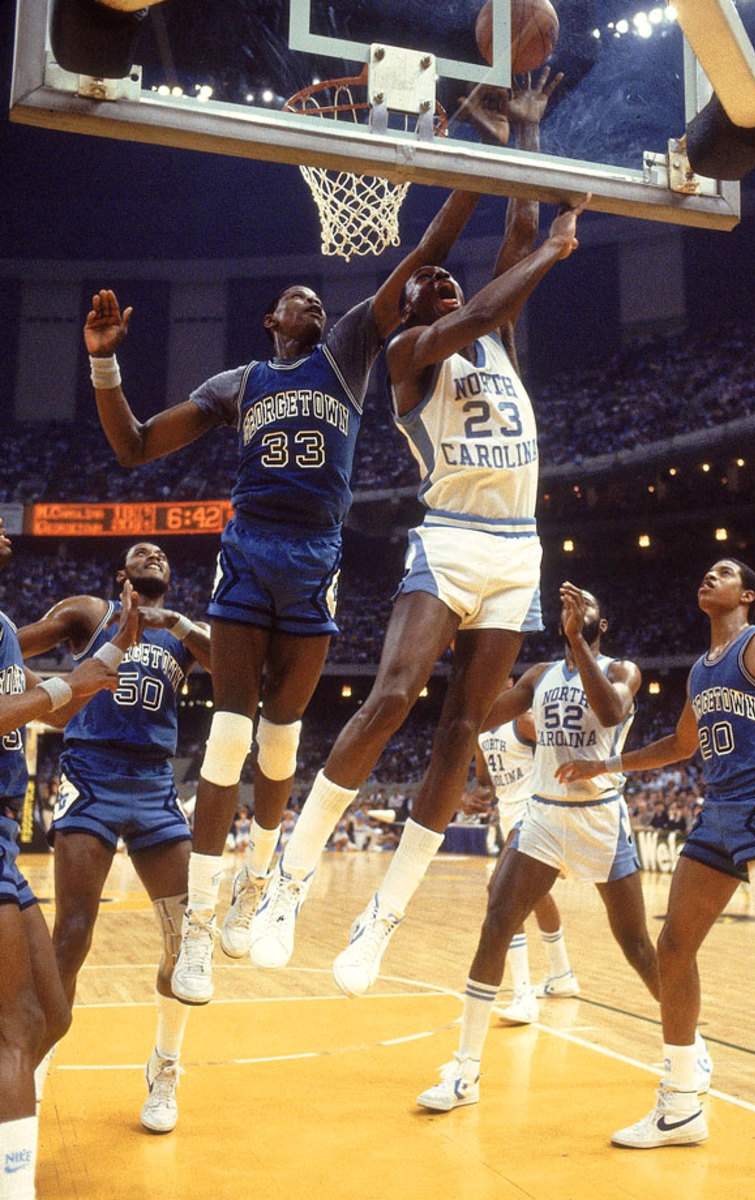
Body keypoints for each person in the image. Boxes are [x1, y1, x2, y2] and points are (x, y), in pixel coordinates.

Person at [85, 82, 562, 1009]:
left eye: (316, 294)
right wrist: (105, 360)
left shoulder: (350, 348)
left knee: (279, 743)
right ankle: (205, 926)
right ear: (274, 321)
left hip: (318, 565)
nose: (313, 296)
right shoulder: (240, 381)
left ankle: (267, 880)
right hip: (250, 551)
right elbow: (136, 446)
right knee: (228, 733)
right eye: (295, 296)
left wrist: (473, 143)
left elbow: (427, 250)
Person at [248, 85, 589, 994]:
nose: (443, 285)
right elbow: (484, 302)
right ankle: (287, 878)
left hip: (519, 550)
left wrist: (525, 124)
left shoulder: (497, 340)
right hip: (452, 538)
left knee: (464, 732)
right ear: (408, 313)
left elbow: (515, 223)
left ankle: (381, 919)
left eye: (449, 278)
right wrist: (555, 251)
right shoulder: (406, 362)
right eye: (428, 287)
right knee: (395, 694)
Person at [556, 559, 755, 1195]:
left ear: (747, 594)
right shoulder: (702, 670)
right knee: (672, 947)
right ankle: (681, 1103)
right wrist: (606, 763)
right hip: (716, 818)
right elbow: (680, 745)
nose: (708, 574)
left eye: (724, 572)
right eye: (704, 570)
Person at [416, 583, 710, 1111]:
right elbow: (478, 719)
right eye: (569, 608)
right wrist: (467, 664)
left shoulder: (623, 670)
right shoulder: (538, 677)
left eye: (587, 604)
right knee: (496, 923)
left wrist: (578, 644)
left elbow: (612, 712)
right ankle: (465, 1072)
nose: (575, 609)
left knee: (637, 946)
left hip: (599, 819)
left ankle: (694, 1048)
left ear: (602, 624)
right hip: (545, 816)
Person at [17, 541, 211, 1135]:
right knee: (72, 933)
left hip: (155, 783)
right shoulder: (87, 611)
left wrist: (175, 621)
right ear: (121, 572)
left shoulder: (183, 633)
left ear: (169, 578)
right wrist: (49, 694)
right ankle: (38, 1063)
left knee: (183, 943)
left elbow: (238, 669)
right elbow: (10, 647)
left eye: (160, 553)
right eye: (139, 550)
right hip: (90, 774)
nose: (152, 551)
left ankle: (165, 1066)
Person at [0, 519, 135, 1200]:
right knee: (13, 1028)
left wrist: (110, 660)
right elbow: (26, 705)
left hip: (3, 840)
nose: (2, 525)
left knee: (53, 1014)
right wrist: (64, 687)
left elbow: (46, 713)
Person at [468, 686, 579, 1024]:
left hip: (538, 815)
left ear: (510, 685)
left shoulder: (525, 721)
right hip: (510, 817)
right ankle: (562, 976)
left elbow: (565, 752)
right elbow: (485, 781)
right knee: (537, 896)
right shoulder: (480, 731)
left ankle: (524, 997)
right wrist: (477, 795)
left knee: (500, 892)